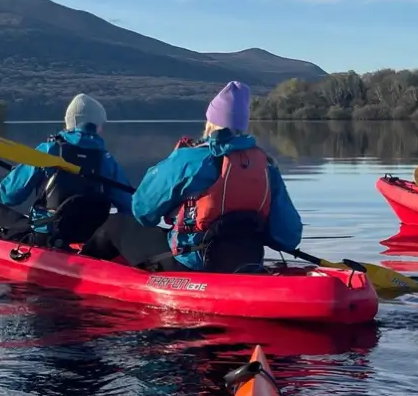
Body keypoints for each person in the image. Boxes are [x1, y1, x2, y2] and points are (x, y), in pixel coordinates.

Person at [79, 81, 303, 273]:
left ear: (210, 123)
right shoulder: (266, 167)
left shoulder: (190, 159)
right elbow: (288, 237)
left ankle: (77, 268)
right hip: (247, 261)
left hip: (192, 263)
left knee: (115, 224)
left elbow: (143, 212)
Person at [0, 93, 133, 247]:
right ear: (97, 126)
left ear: (69, 122)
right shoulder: (107, 160)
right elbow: (129, 207)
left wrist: (18, 175)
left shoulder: (49, 150)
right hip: (89, 239)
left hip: (44, 238)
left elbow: (10, 196)